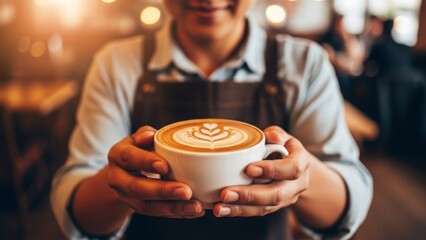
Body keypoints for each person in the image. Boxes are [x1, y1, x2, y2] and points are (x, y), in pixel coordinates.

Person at [51, 1, 373, 239]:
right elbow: (76, 209)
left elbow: (350, 199)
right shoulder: (115, 63)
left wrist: (304, 178)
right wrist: (116, 185)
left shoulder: (306, 63)